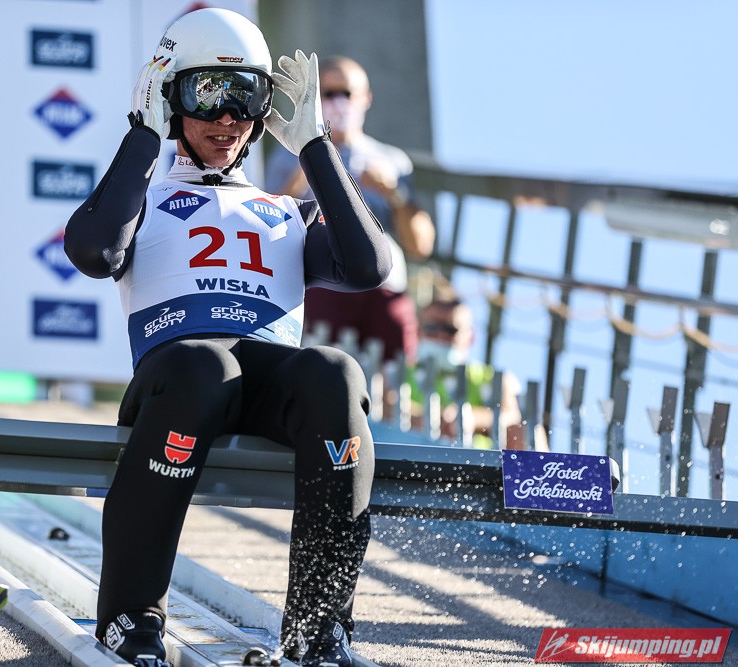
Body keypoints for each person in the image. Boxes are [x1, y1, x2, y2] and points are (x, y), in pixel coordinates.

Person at [64, 9, 391, 667]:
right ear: (170, 99)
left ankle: (318, 629)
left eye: (245, 96)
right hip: (180, 378)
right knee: (205, 369)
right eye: (205, 93)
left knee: (336, 372)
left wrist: (315, 147)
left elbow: (369, 265)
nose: (227, 117)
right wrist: (143, 135)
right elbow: (95, 251)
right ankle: (131, 615)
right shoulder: (143, 200)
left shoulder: (286, 211)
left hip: (266, 380)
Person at [264, 55, 435, 368]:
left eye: (347, 93)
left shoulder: (391, 159)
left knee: (392, 377)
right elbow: (266, 223)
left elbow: (421, 245)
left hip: (384, 287)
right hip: (323, 285)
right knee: (319, 370)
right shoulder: (288, 153)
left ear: (366, 98)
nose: (339, 102)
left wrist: (393, 194)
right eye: (329, 94)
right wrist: (307, 168)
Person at [411, 287, 524, 449]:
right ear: (417, 331)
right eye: (431, 328)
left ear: (470, 337)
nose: (440, 335)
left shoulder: (494, 379)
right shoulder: (396, 374)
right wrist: (429, 418)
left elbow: (513, 419)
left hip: (476, 463)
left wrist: (472, 418)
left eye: (450, 330)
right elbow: (385, 403)